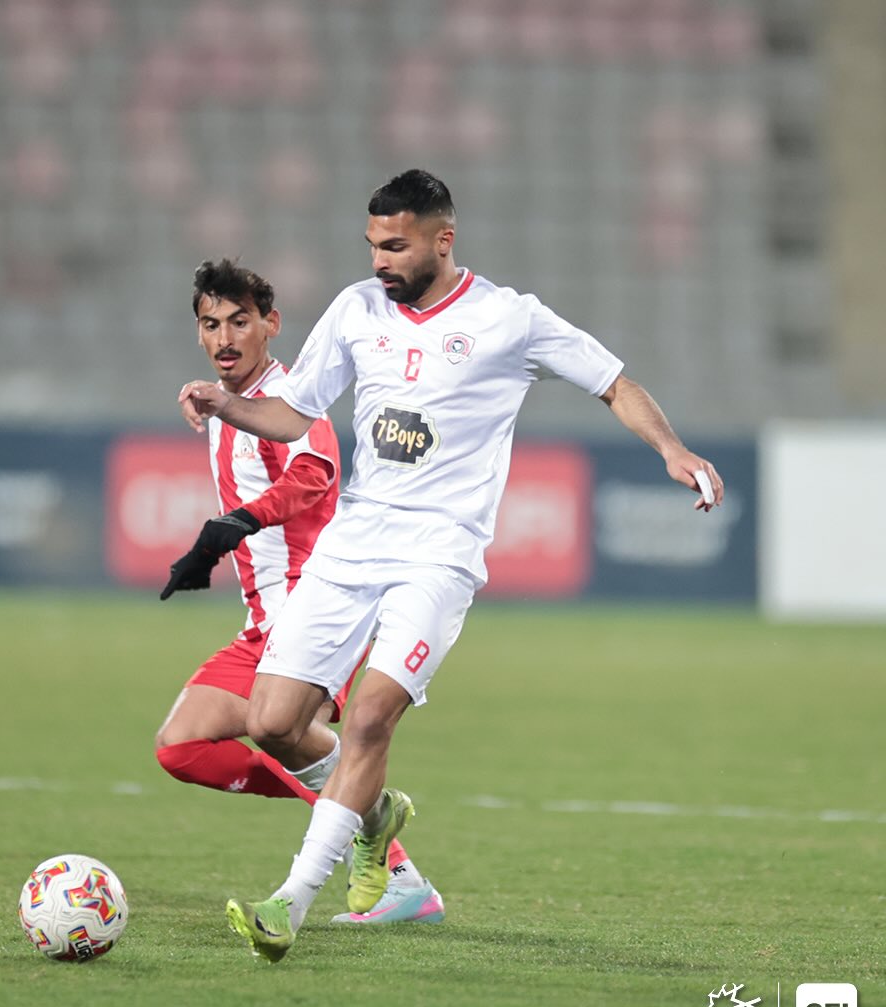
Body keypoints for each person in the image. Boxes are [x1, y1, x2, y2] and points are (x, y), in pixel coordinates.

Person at [178, 170, 725, 963]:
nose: (380, 261)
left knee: (369, 719)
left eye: (396, 246)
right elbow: (294, 413)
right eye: (373, 245)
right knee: (270, 723)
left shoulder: (509, 319)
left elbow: (615, 384)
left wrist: (672, 449)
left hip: (439, 555)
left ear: (443, 240)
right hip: (354, 544)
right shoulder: (357, 310)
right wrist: (224, 403)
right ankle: (375, 817)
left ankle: (289, 902)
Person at [156, 257, 444, 926]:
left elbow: (315, 473)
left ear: (271, 325)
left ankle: (378, 848)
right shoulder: (226, 402)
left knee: (276, 730)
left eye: (240, 322)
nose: (226, 338)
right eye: (211, 325)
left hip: (317, 607)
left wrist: (238, 521)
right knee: (182, 747)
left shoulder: (290, 396)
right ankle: (372, 818)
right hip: (263, 623)